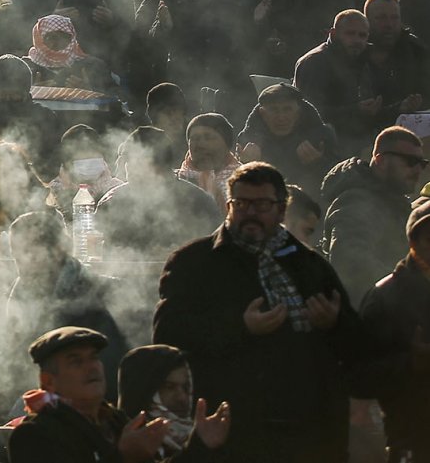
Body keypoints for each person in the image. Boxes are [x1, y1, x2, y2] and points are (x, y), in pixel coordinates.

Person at [154, 161, 363, 463]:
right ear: (228, 206)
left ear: (281, 210)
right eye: (241, 203)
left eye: (262, 204)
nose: (250, 212)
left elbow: (354, 343)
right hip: (232, 429)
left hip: (308, 431)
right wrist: (241, 326)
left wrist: (333, 323)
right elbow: (168, 335)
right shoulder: (195, 263)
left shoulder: (309, 265)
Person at [0, 212, 131, 409]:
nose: (21, 263)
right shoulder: (15, 299)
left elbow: (108, 368)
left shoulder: (96, 295)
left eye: (29, 253)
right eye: (16, 255)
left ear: (58, 249)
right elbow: (9, 358)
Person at [354, 198, 430, 461]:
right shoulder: (386, 297)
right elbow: (359, 376)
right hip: (413, 439)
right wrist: (412, 362)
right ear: (415, 241)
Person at [319, 126, 427, 302]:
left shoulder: (394, 203)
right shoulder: (357, 201)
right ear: (381, 160)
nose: (417, 170)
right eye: (410, 161)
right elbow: (351, 261)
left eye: (422, 163)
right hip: (368, 317)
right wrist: (412, 290)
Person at [96, 127, 222, 261]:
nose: (130, 169)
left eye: (138, 163)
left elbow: (215, 253)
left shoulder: (199, 203)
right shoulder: (112, 202)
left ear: (162, 167)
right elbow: (99, 253)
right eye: (128, 161)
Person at [113, 344, 233, 461]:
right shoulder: (115, 446)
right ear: (145, 392)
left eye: (186, 387)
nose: (182, 397)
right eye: (169, 387)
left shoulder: (198, 438)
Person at [293, 9, 381, 158]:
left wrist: (398, 107)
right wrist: (355, 110)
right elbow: (308, 112)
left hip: (359, 137)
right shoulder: (315, 62)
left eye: (362, 35)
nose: (357, 40)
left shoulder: (362, 60)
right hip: (324, 142)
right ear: (333, 34)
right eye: (350, 33)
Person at [236, 82, 335, 192]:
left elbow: (338, 182)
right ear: (263, 114)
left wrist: (318, 164)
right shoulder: (247, 142)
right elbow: (234, 184)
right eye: (274, 110)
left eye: (287, 109)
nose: (281, 117)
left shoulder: (321, 139)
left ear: (298, 113)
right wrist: (245, 166)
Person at [178, 113, 241, 205]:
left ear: (226, 144)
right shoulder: (177, 181)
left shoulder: (246, 181)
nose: (201, 144)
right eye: (195, 138)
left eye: (209, 137)